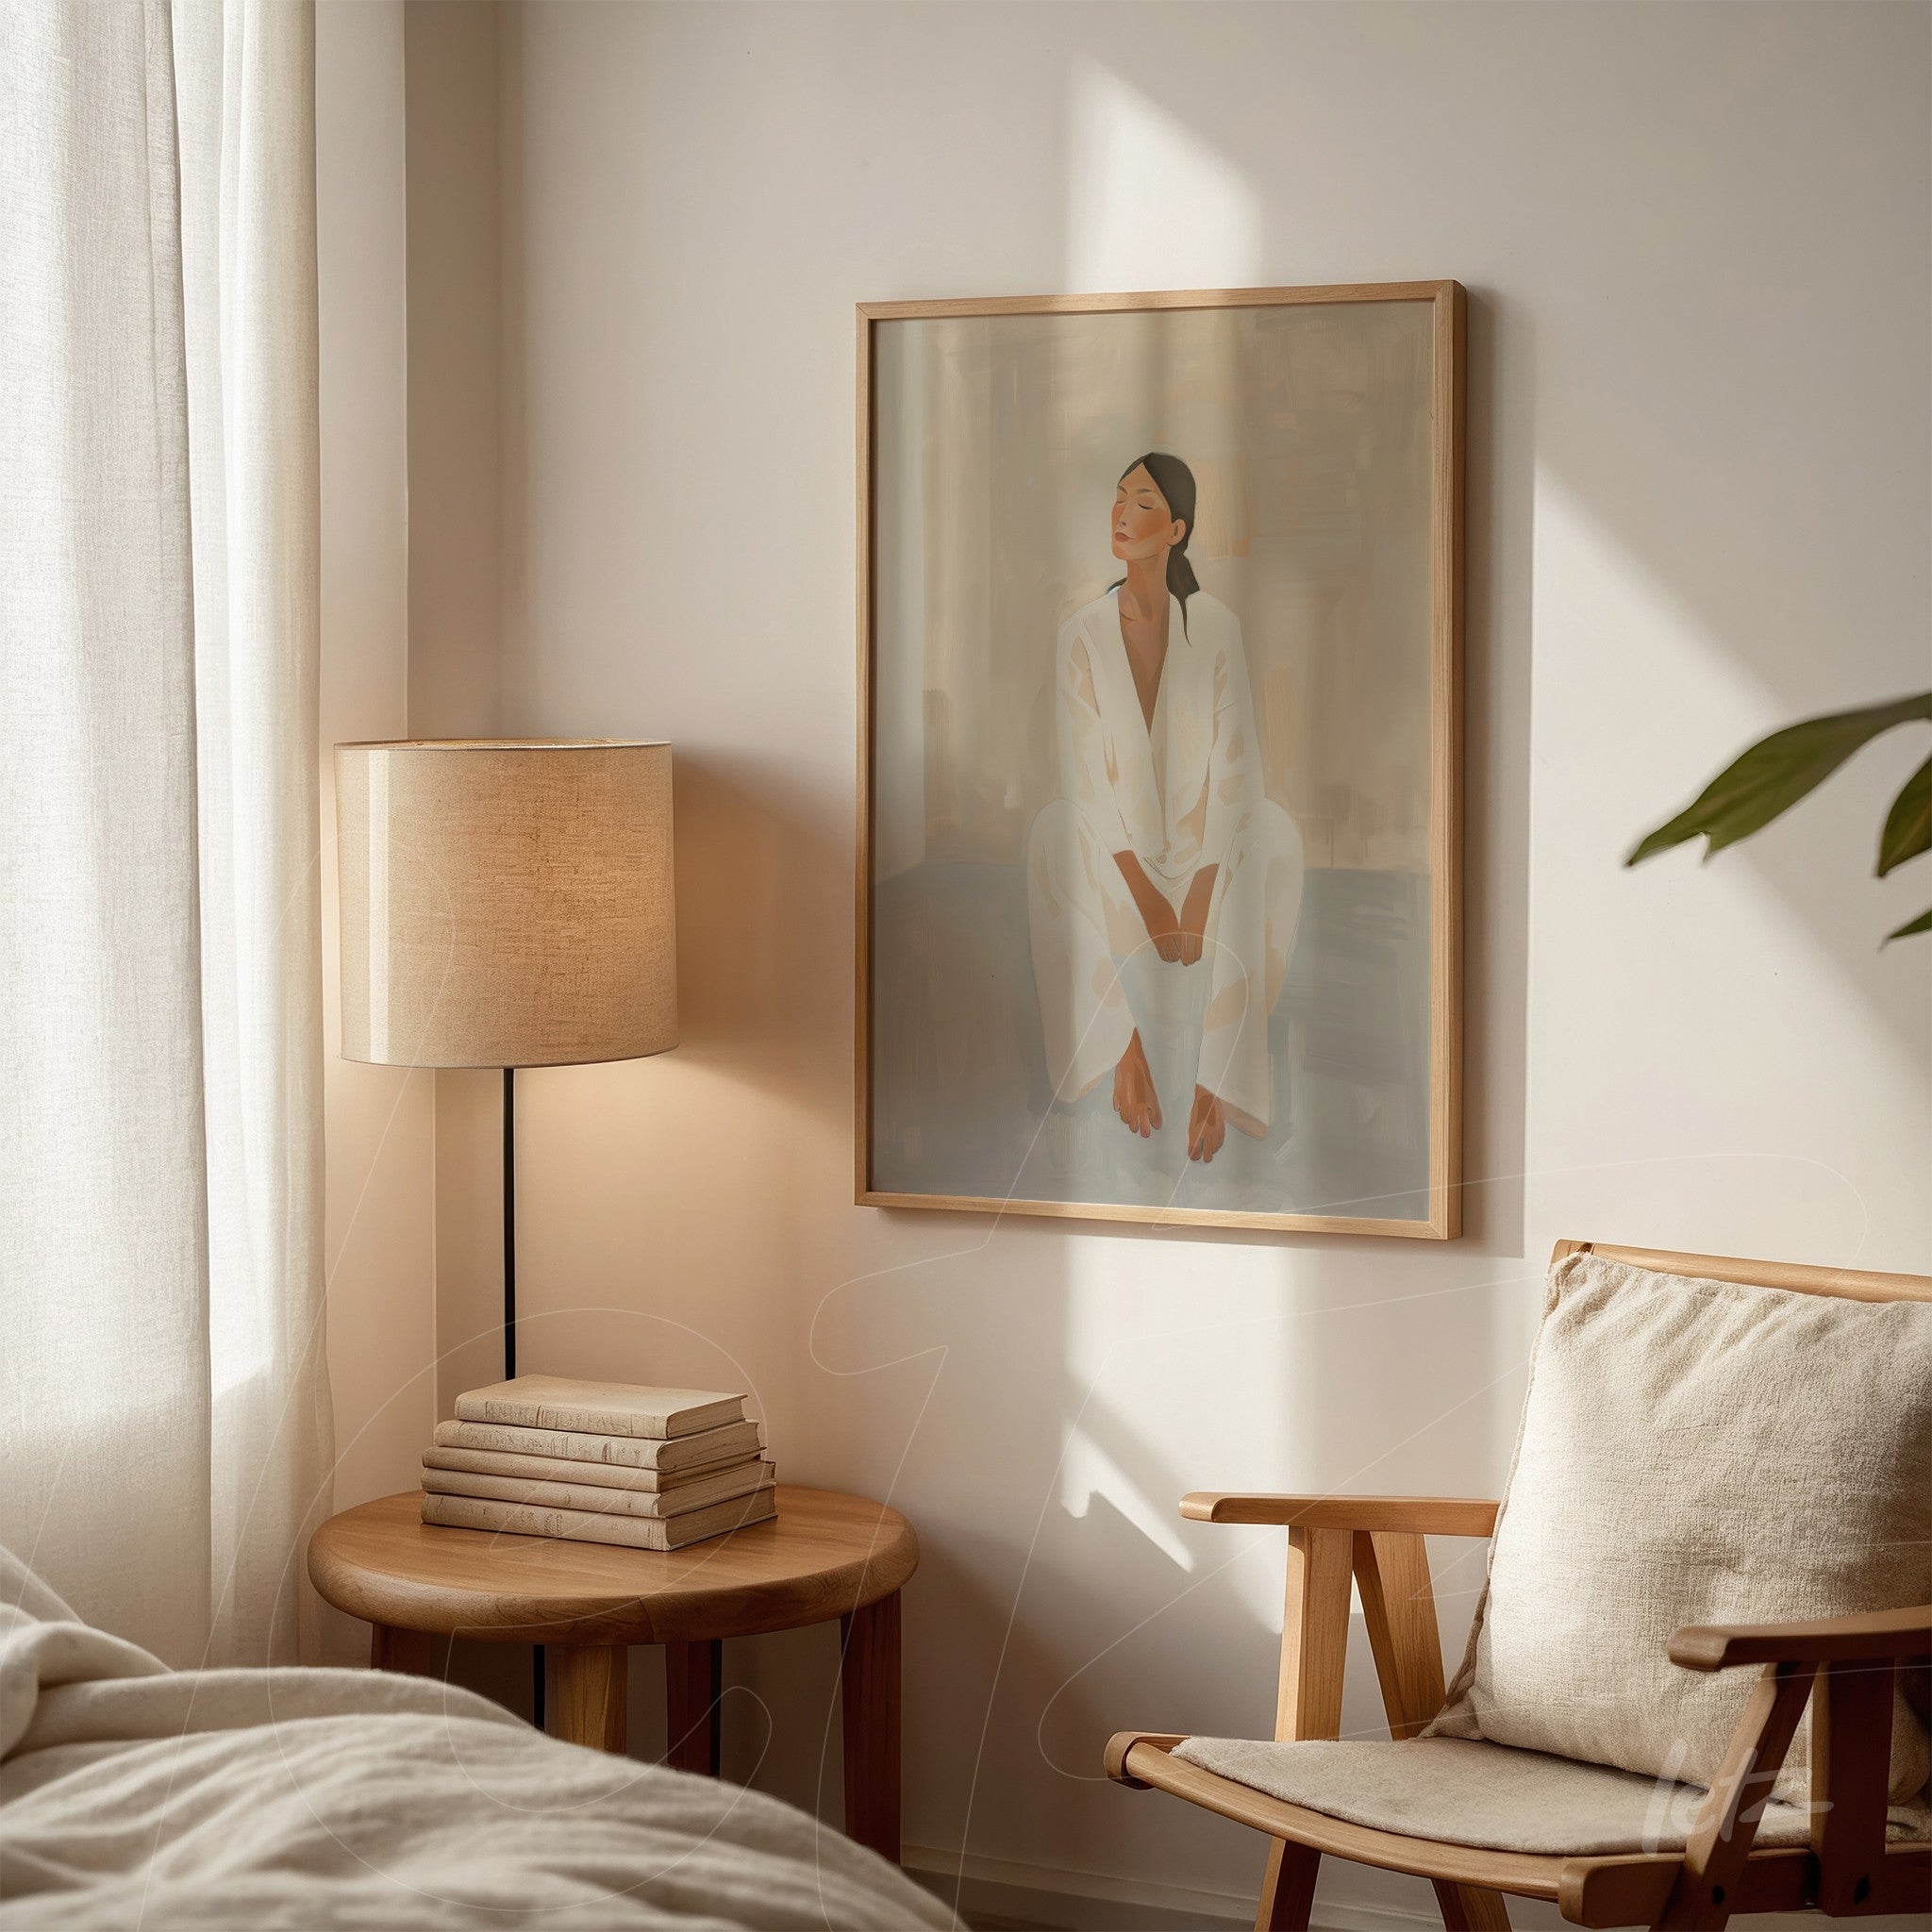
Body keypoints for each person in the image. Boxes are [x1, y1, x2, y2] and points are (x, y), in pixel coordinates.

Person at [1027, 453, 1304, 1163]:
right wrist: (1151, 902)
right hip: (1122, 877)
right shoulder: (1081, 635)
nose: (1121, 514)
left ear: (1175, 528)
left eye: (1141, 502)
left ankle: (1218, 1079)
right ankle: (1122, 1045)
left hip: (1200, 874)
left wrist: (1201, 890)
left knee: (1274, 831)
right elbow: (1085, 782)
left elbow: (1239, 773)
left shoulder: (1216, 628)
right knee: (1053, 831)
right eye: (1117, 498)